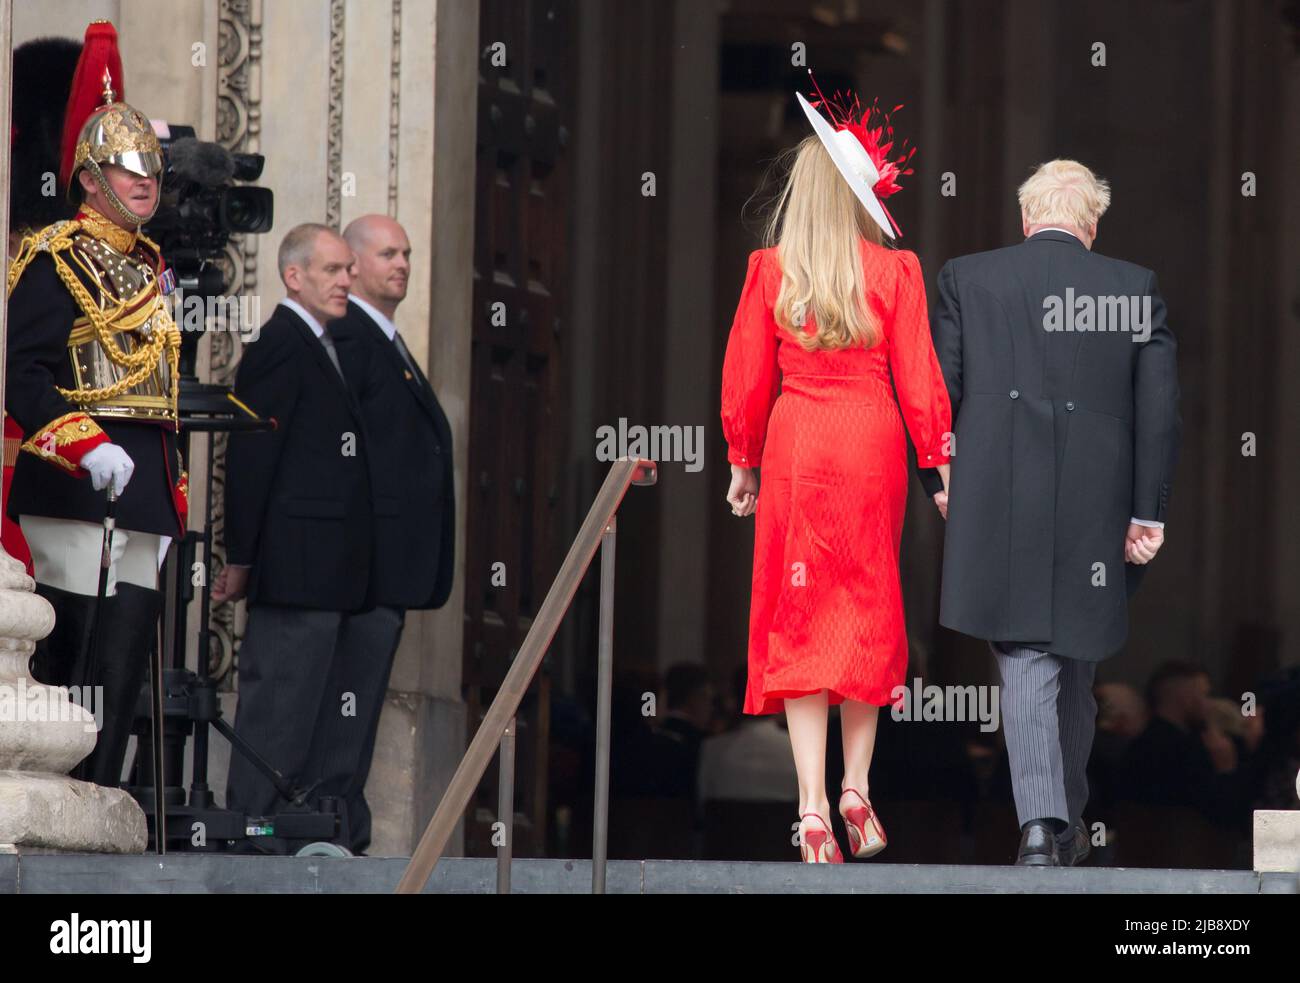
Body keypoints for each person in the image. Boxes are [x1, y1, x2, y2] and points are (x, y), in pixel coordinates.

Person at [917, 159, 1182, 866]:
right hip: (1098, 504)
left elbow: (936, 393)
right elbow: (1159, 411)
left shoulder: (967, 278)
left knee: (1030, 655)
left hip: (999, 494)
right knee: (1071, 660)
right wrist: (1146, 513)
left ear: (1027, 216)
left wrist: (941, 481)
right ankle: (1059, 823)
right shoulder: (1133, 288)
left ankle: (1045, 824)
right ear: (1091, 223)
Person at [721, 83, 952, 863]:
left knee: (799, 614)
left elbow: (746, 376)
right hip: (870, 444)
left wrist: (742, 461)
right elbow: (920, 379)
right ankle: (857, 784)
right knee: (865, 603)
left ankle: (812, 805)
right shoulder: (896, 272)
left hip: (797, 443)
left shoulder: (768, 270)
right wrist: (940, 466)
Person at [5, 22, 186, 788]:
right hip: (76, 478)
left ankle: (104, 809)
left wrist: (165, 492)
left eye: (150, 166)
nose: (143, 178)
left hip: (143, 488)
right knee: (71, 658)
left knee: (120, 669)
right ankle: (55, 808)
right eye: (124, 166)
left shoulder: (151, 269)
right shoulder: (54, 257)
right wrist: (86, 445)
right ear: (88, 176)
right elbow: (21, 373)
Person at [214, 223, 384, 854]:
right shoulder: (281, 344)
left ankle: (290, 840)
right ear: (294, 276)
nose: (348, 280)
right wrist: (244, 557)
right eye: (334, 270)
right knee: (279, 710)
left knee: (310, 715)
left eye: (348, 269)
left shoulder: (325, 342)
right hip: (295, 568)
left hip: (328, 573)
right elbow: (253, 456)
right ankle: (253, 843)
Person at [321, 214, 455, 853]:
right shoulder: (348, 337)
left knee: (361, 700)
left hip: (386, 572)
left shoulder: (385, 339)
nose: (402, 264)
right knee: (344, 701)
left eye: (406, 253)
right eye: (386, 254)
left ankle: (343, 819)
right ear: (350, 262)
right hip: (363, 570)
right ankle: (332, 821)